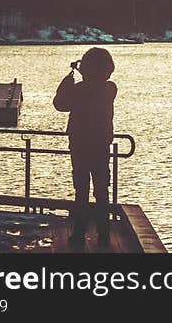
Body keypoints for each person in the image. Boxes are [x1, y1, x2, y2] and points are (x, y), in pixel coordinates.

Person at [53, 47, 117, 249]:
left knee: (81, 190)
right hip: (101, 145)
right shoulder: (110, 89)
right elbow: (93, 84)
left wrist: (69, 77)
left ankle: (79, 234)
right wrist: (81, 73)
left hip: (80, 146)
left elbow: (60, 103)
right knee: (101, 190)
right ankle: (104, 235)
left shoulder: (80, 90)